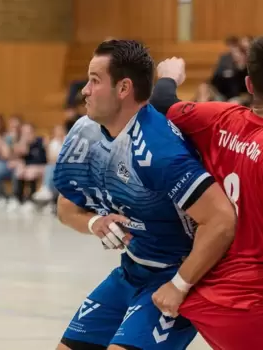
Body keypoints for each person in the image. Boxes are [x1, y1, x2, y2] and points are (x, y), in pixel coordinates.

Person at [53, 39, 236, 350]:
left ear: (123, 88)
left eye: (95, 81)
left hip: (173, 276)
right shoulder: (85, 131)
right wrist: (94, 222)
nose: (84, 90)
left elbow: (221, 220)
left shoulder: (157, 149)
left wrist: (179, 285)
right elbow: (66, 205)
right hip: (131, 269)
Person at [150, 42, 263, 350]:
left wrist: (169, 76)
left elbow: (162, 102)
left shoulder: (219, 119)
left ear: (249, 84)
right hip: (254, 304)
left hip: (213, 299)